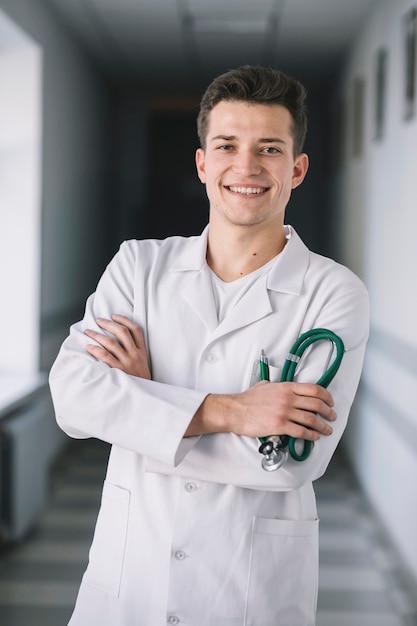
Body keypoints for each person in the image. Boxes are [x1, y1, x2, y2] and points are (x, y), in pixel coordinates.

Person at [49, 65, 369, 626]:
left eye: (269, 149)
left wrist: (144, 400)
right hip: (130, 583)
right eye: (227, 145)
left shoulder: (333, 292)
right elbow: (73, 399)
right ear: (203, 164)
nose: (246, 167)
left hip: (248, 594)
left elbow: (289, 463)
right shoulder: (138, 265)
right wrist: (234, 412)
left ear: (297, 170)